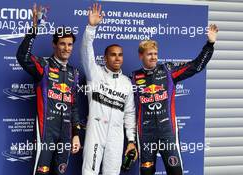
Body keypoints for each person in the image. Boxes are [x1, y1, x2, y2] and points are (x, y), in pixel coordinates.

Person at [132, 24, 218, 175]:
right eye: (149, 54)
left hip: (167, 132)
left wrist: (210, 44)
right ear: (141, 56)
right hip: (145, 134)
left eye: (155, 54)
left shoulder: (168, 71)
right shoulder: (133, 78)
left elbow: (196, 66)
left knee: (175, 171)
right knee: (146, 172)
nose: (153, 57)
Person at [16, 4, 81, 175]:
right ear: (54, 45)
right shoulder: (43, 66)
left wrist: (76, 134)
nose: (66, 48)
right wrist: (34, 29)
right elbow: (22, 57)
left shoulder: (74, 73)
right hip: (45, 133)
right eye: (62, 44)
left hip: (66, 135)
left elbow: (73, 107)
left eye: (70, 44)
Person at [81, 3, 137, 175]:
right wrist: (91, 27)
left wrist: (131, 140)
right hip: (96, 132)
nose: (117, 58)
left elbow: (129, 113)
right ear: (105, 57)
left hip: (116, 135)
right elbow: (86, 52)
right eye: (113, 54)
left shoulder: (127, 83)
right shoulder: (95, 73)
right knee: (89, 172)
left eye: (120, 54)